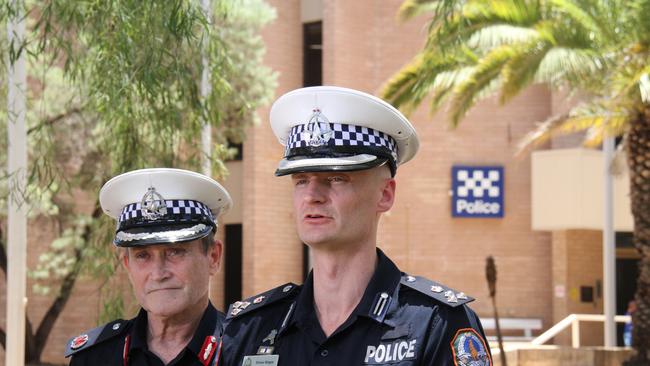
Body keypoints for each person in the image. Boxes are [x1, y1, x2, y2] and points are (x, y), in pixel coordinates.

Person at [221, 86, 492, 365]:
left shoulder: (436, 325)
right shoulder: (250, 330)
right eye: (301, 179)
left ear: (385, 195)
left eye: (336, 179)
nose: (312, 196)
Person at [65, 168, 231, 366]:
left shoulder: (244, 350)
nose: (158, 273)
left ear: (213, 257)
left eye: (175, 252)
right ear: (127, 265)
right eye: (142, 255)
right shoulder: (94, 358)